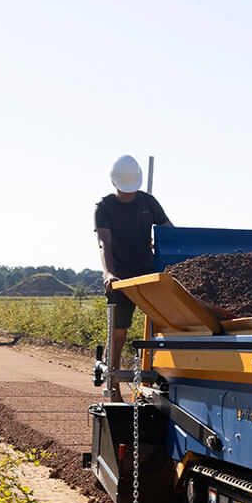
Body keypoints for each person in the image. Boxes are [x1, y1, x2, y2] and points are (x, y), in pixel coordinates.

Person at [95, 155, 172, 401]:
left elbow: (170, 231)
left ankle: (163, 381)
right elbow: (103, 243)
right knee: (119, 333)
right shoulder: (104, 208)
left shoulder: (148, 203)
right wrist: (109, 274)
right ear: (115, 184)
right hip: (120, 277)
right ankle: (114, 389)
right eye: (124, 191)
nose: (129, 195)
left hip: (147, 273)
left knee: (163, 325)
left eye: (132, 191)